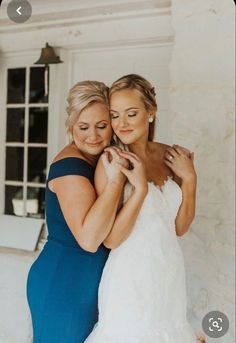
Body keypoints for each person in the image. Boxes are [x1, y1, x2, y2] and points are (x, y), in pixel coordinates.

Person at [85, 74, 201, 342]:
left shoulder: (170, 156)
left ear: (151, 112)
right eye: (115, 115)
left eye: (131, 113)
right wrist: (140, 190)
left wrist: (191, 179)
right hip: (130, 278)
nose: (121, 123)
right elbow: (112, 239)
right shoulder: (112, 161)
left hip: (169, 272)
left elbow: (180, 228)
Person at [26, 81, 127, 343]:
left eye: (101, 126)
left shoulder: (102, 159)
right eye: (83, 127)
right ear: (70, 126)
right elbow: (89, 240)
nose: (92, 135)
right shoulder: (71, 168)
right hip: (65, 282)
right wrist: (116, 182)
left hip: (87, 282)